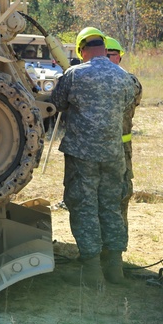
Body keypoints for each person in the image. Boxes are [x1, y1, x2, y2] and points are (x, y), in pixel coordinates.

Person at [50, 26, 138, 286]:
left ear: (82, 50)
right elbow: (126, 107)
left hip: (82, 154)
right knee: (111, 205)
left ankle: (91, 271)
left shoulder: (75, 75)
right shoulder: (125, 77)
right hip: (114, 153)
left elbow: (56, 103)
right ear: (104, 48)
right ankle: (114, 268)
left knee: (84, 205)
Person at [105, 36, 143, 229]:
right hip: (106, 149)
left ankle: (115, 251)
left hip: (120, 149)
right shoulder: (130, 81)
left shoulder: (130, 81)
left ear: (118, 57)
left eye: (109, 55)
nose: (106, 59)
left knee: (120, 197)